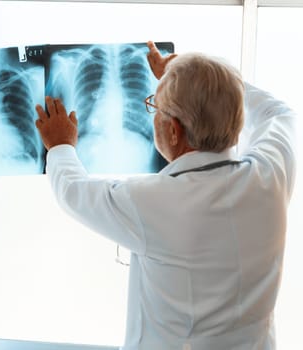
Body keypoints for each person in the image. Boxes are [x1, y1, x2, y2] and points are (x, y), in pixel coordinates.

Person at [34, 41, 296, 349]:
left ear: (174, 130)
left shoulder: (151, 202)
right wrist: (205, 81)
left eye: (154, 106)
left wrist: (61, 145)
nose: (152, 113)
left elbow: (72, 192)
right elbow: (280, 113)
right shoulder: (271, 174)